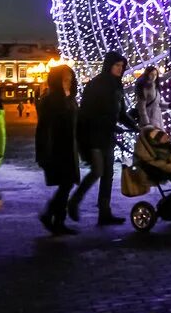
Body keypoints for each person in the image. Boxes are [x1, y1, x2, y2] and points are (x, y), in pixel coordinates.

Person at [69, 51, 135, 225]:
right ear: (109, 65)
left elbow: (120, 113)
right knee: (98, 171)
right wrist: (113, 126)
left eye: (122, 66)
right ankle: (74, 201)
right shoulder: (97, 85)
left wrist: (136, 127)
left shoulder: (117, 86)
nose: (120, 69)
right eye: (117, 65)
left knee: (108, 174)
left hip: (108, 136)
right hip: (93, 135)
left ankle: (104, 212)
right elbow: (90, 113)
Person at [35, 64, 80, 235]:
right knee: (66, 184)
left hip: (70, 147)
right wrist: (43, 152)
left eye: (70, 79)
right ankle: (51, 216)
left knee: (67, 185)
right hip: (57, 148)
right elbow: (44, 127)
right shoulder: (51, 100)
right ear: (56, 81)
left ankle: (57, 220)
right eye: (64, 80)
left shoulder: (70, 98)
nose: (68, 83)